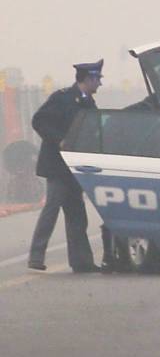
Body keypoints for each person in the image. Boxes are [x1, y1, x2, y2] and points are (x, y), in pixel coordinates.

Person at [27, 59, 107, 273]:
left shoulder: (88, 103)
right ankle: (36, 256)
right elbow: (39, 121)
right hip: (57, 166)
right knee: (51, 209)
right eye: (97, 79)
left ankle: (82, 262)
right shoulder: (62, 98)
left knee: (77, 215)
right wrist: (58, 139)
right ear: (88, 79)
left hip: (76, 167)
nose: (99, 83)